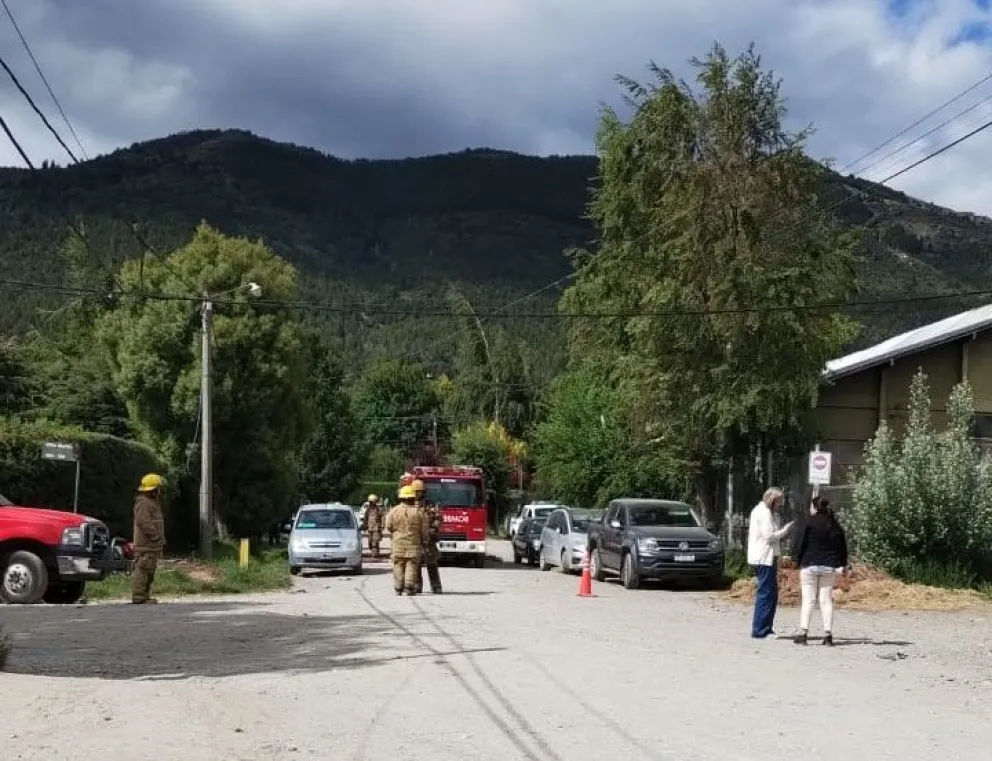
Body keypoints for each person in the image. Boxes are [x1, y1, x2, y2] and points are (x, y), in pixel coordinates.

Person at [793, 496, 849, 646]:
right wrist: (843, 565)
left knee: (808, 600)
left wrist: (796, 561)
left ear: (814, 507)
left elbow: (800, 543)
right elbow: (842, 548)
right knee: (826, 601)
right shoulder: (835, 525)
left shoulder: (809, 522)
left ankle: (803, 634)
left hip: (809, 564)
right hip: (829, 567)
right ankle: (828, 635)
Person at [747, 487, 794, 639]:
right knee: (766, 594)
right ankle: (761, 630)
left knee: (770, 593)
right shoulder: (764, 513)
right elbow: (769, 537)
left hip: (766, 557)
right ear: (772, 500)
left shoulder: (762, 512)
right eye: (779, 502)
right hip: (764, 558)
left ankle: (766, 627)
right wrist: (785, 530)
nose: (781, 505)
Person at [384, 485, 428, 596]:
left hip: (397, 543)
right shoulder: (419, 512)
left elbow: (388, 526)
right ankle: (409, 587)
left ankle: (398, 588)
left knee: (398, 564)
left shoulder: (394, 511)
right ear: (412, 498)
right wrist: (425, 540)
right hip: (413, 544)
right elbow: (424, 529)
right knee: (411, 565)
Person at [131, 473, 167, 605]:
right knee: (143, 569)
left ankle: (145, 595)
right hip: (145, 544)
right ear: (153, 489)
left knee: (149, 570)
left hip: (152, 545)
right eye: (158, 488)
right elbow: (143, 521)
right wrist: (155, 536)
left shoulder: (152, 502)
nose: (159, 491)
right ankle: (139, 596)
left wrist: (160, 540)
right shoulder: (143, 502)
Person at [412, 479, 442, 594]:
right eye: (415, 492)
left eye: (419, 492)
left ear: (423, 492)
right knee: (416, 565)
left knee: (432, 564)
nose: (417, 494)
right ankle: (417, 586)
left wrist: (433, 528)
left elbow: (438, 518)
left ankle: (436, 586)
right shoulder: (409, 504)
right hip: (415, 539)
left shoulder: (430, 505)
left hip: (429, 540)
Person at [364, 494, 384, 559]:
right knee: (370, 542)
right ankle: (374, 552)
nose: (370, 503)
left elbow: (383, 517)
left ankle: (375, 555)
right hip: (370, 528)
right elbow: (365, 518)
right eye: (369, 501)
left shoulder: (378, 509)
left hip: (376, 528)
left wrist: (382, 526)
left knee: (375, 542)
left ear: (374, 501)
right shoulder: (368, 509)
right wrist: (364, 525)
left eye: (371, 501)